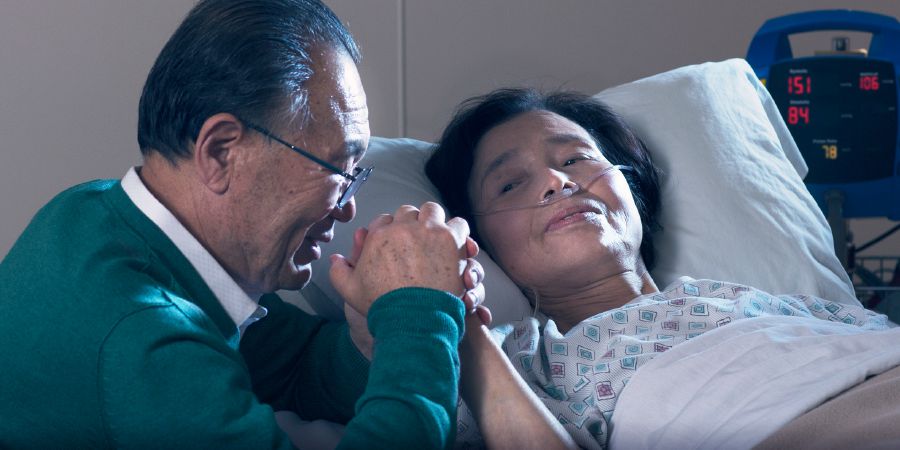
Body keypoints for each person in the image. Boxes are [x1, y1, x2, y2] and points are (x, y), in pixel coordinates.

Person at [0, 2, 575, 448]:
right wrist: (418, 316)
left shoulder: (94, 212)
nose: (348, 207)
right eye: (337, 169)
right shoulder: (147, 344)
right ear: (221, 152)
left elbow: (294, 367)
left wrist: (369, 336)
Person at [425, 88, 900, 449]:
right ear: (482, 245)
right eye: (510, 184)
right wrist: (461, 324)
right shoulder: (520, 361)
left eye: (575, 158)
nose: (556, 179)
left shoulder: (765, 302)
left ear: (632, 191)